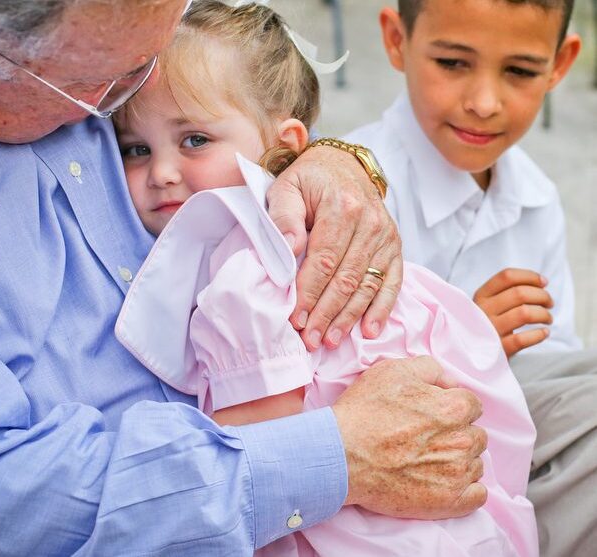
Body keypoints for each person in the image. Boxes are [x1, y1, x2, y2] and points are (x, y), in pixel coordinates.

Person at [0, 0, 487, 554]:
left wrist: (325, 161)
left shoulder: (61, 31)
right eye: (106, 91)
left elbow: (231, 73)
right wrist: (340, 456)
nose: (138, 86)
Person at [112, 2, 536, 555]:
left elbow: (264, 460)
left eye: (194, 140)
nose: (162, 172)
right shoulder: (324, 235)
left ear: (287, 144)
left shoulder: (245, 275)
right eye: (135, 149)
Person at [345, 0, 582, 358]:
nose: (484, 104)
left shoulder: (539, 201)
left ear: (559, 64)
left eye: (519, 70)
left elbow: (557, 361)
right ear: (397, 40)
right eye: (452, 63)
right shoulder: (347, 195)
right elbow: (314, 377)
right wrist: (460, 344)